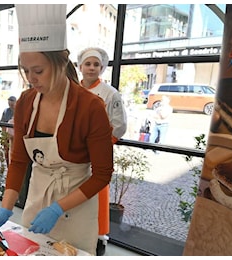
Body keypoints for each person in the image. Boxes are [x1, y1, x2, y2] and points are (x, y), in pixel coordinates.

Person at [0, 4, 114, 254]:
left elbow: (102, 174)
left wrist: (58, 208)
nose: (31, 78)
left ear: (61, 62)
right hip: (38, 196)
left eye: (38, 71)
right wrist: (6, 207)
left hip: (76, 203)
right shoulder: (25, 102)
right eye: (26, 71)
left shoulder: (90, 106)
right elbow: (19, 161)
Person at [77, 47, 127, 255]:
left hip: (97, 151)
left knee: (97, 193)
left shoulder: (110, 93)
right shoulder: (71, 88)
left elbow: (119, 124)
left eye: (96, 64)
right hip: (74, 151)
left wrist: (101, 146)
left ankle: (99, 237)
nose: (91, 68)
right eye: (87, 64)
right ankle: (76, 232)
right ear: (80, 66)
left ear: (102, 68)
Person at [0, 96, 17, 165]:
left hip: (14, 136)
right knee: (6, 152)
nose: (10, 105)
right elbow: (2, 123)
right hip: (7, 134)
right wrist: (4, 135)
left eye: (12, 103)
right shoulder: (6, 111)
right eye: (9, 103)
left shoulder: (19, 110)